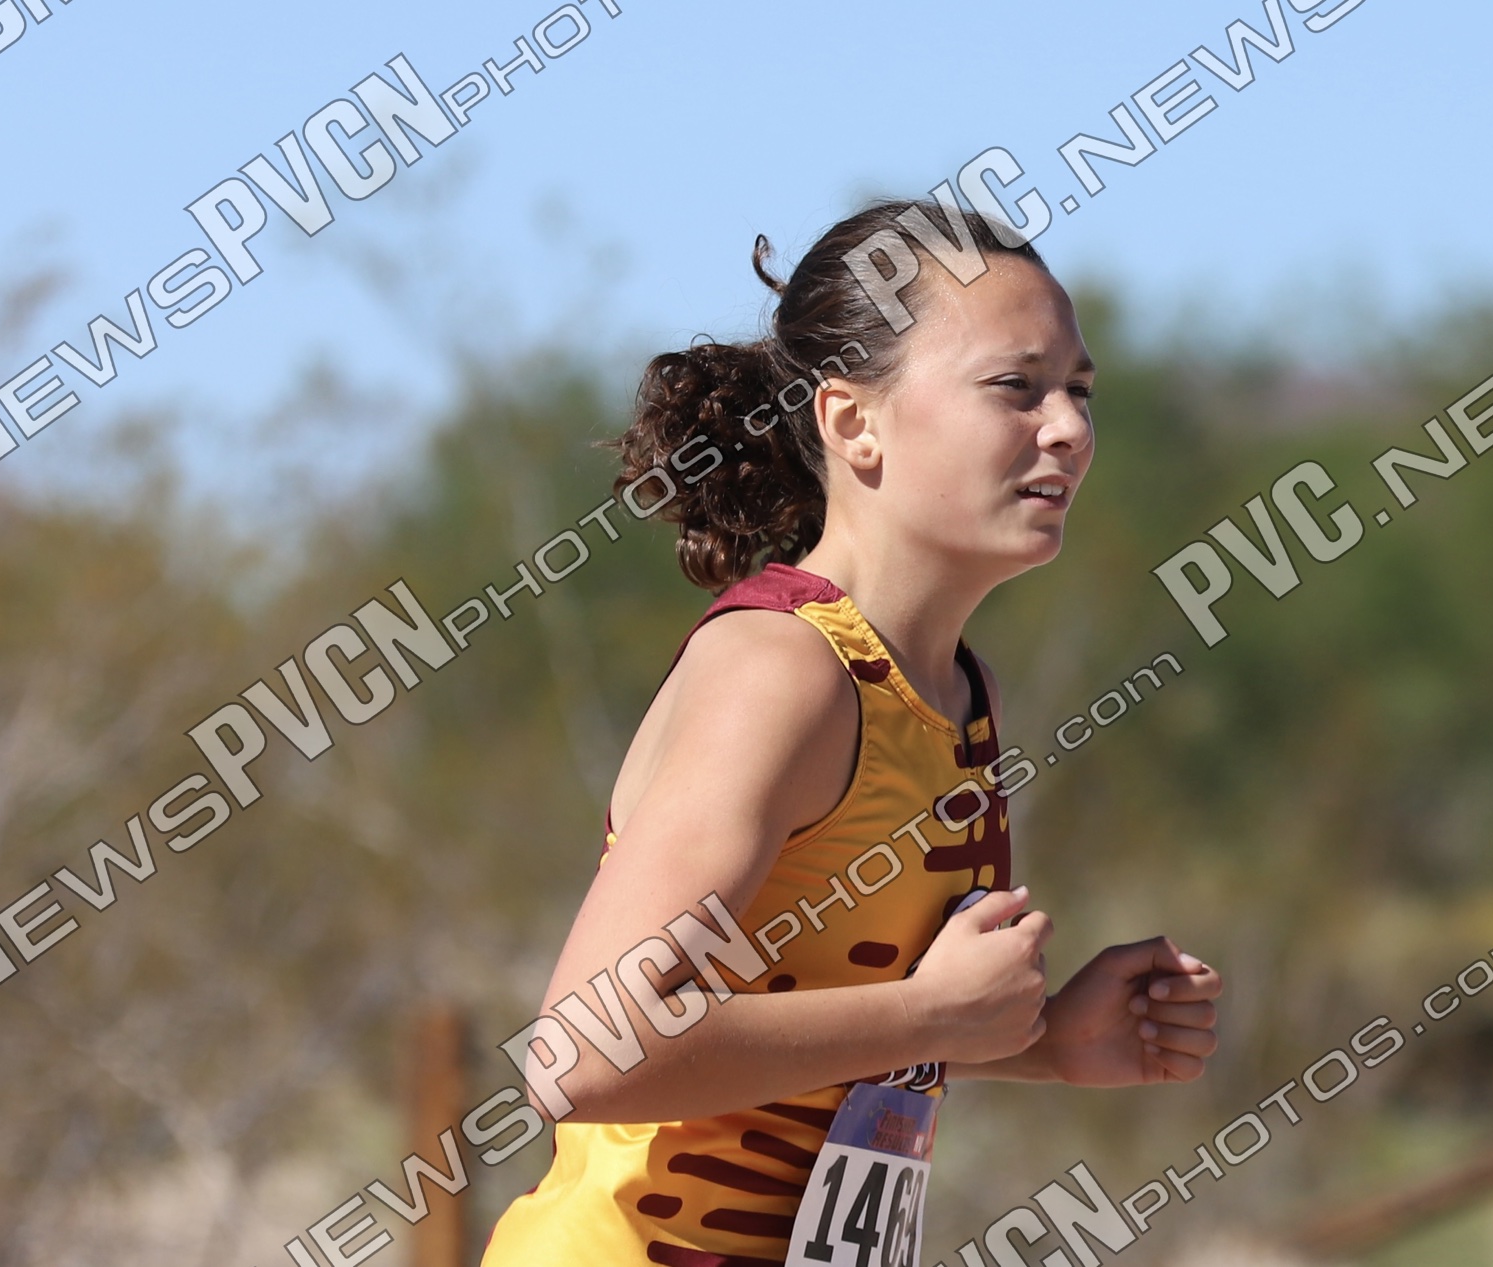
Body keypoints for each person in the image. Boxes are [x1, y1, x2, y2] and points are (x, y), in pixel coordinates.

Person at [480, 198, 1222, 1267]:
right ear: (850, 421)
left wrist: (1041, 1039)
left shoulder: (956, 688)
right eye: (1015, 387)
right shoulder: (783, 670)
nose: (1067, 427)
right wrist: (931, 1016)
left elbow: (808, 1016)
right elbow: (582, 1054)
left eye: (1079, 390)